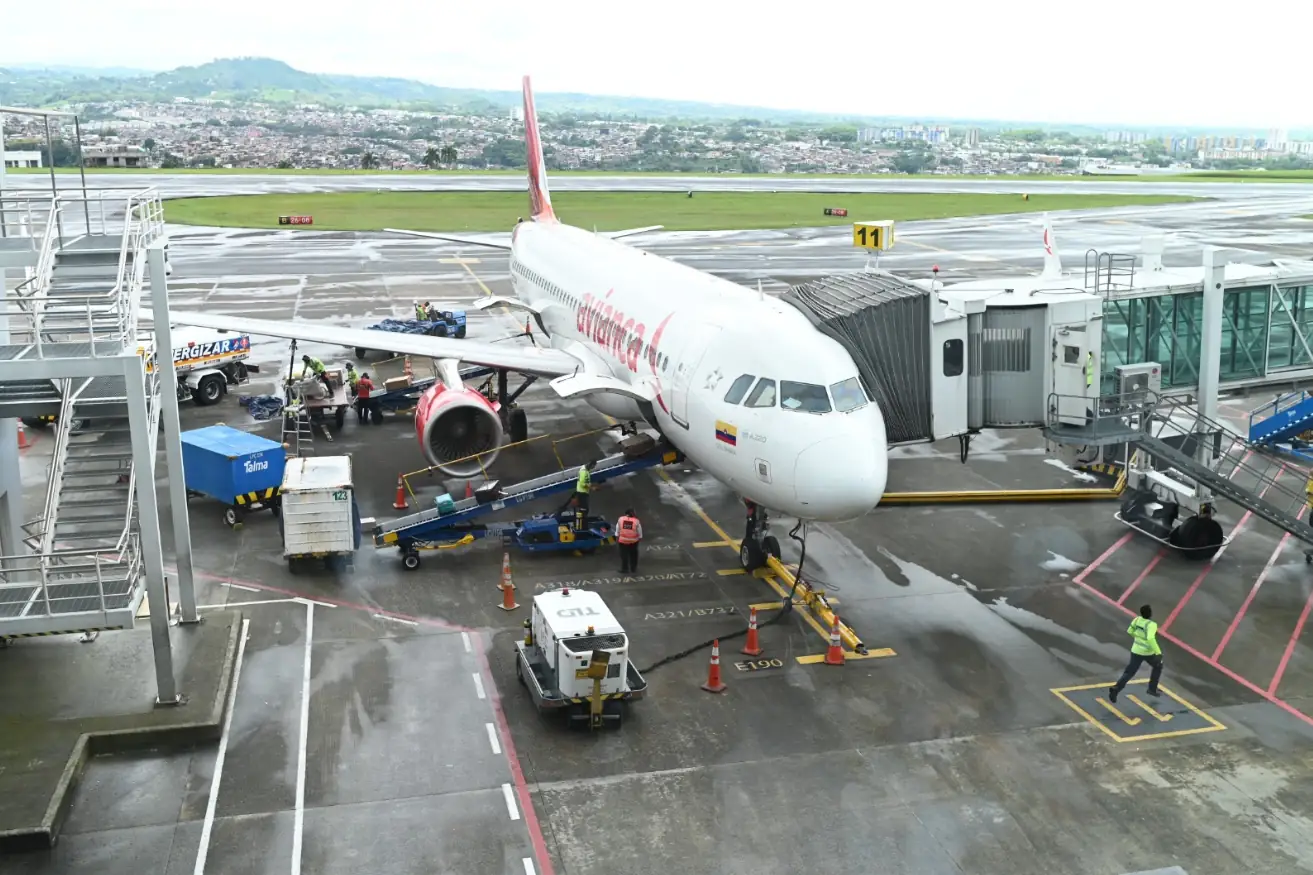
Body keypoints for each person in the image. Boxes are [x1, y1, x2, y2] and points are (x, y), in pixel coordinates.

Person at [1109, 604, 1163, 702]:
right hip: (1148, 653)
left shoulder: (1137, 620)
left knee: (1129, 672)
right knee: (1158, 666)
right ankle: (1152, 689)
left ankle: (1116, 688)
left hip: (1135, 651)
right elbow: (1150, 638)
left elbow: (1130, 631)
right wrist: (1158, 652)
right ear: (1150, 614)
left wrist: (1138, 637)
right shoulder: (1151, 625)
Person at [616, 508, 643, 574]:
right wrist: (639, 537)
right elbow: (639, 531)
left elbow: (617, 530)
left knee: (624, 555)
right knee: (633, 555)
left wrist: (618, 536)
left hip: (623, 541)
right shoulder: (636, 521)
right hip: (633, 541)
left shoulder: (620, 519)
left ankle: (625, 569)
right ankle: (633, 568)